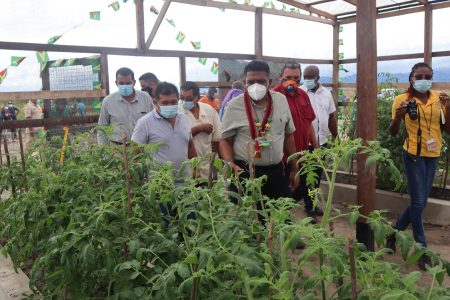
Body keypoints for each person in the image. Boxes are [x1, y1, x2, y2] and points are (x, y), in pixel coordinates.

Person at [387, 62, 450, 271]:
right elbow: (393, 132)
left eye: (427, 76)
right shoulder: (401, 100)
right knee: (419, 202)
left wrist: (448, 108)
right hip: (413, 154)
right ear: (411, 78)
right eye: (419, 76)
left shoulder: (438, 99)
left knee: (419, 203)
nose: (423, 80)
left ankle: (393, 233)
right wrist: (398, 117)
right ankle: (422, 250)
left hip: (433, 154)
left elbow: (447, 129)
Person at [220, 60, 298, 211]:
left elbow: (289, 136)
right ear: (245, 82)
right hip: (245, 172)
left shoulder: (281, 100)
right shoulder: (234, 105)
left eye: (261, 81)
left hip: (276, 171)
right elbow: (225, 140)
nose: (256, 86)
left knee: (280, 219)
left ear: (269, 82)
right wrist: (229, 164)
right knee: (248, 221)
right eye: (251, 81)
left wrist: (295, 168)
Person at [273, 62, 322, 222]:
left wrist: (316, 148)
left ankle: (309, 209)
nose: (291, 81)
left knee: (307, 185)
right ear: (281, 77)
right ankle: (284, 227)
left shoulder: (303, 95)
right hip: (283, 155)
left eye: (295, 78)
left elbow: (309, 124)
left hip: (303, 153)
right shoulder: (274, 97)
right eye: (288, 78)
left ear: (300, 77)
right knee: (285, 192)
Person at [97, 67, 153, 144]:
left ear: (134, 82)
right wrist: (103, 152)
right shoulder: (108, 101)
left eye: (128, 83)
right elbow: (102, 128)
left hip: (141, 147)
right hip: (117, 148)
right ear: (116, 83)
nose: (125, 86)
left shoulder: (146, 98)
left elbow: (153, 122)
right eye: (121, 83)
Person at [180, 81, 221, 179]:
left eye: (189, 98)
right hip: (186, 165)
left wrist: (221, 162)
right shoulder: (177, 111)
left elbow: (217, 139)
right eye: (181, 98)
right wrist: (199, 128)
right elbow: (178, 137)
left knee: (207, 191)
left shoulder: (208, 110)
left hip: (207, 164)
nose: (184, 101)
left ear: (197, 97)